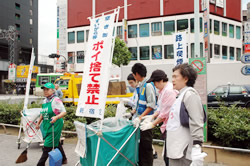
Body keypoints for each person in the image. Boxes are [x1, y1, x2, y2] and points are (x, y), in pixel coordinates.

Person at [166, 63, 207, 166]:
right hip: (176, 148)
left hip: (183, 150)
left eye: (176, 77)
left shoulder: (190, 95)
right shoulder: (180, 95)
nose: (173, 80)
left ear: (185, 79)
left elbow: (197, 121)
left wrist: (197, 146)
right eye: (172, 77)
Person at [140, 69, 177, 166]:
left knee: (169, 157)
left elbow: (165, 113)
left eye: (155, 82)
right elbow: (160, 108)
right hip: (169, 127)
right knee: (167, 156)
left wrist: (152, 124)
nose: (154, 85)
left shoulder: (169, 91)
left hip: (173, 127)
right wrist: (152, 116)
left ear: (161, 80)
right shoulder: (163, 91)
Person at [131, 63, 157, 166]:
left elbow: (151, 105)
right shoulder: (141, 86)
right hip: (141, 122)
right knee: (141, 147)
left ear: (137, 74)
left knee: (146, 148)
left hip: (146, 122)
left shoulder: (148, 86)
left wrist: (140, 117)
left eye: (133, 74)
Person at [36, 82, 67, 165]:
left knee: (47, 145)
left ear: (53, 91)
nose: (45, 91)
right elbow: (43, 113)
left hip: (55, 125)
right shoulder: (44, 101)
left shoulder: (56, 100)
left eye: (47, 89)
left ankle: (40, 164)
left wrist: (56, 117)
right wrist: (38, 123)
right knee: (55, 142)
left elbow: (64, 112)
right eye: (44, 89)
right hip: (47, 124)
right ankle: (64, 159)